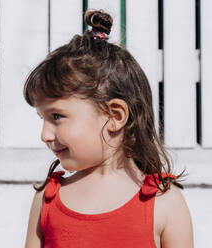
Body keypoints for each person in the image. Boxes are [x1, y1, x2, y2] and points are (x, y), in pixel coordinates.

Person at [23, 9, 194, 248]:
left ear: (115, 116)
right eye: (42, 118)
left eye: (57, 116)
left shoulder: (164, 204)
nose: (45, 135)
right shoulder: (46, 201)